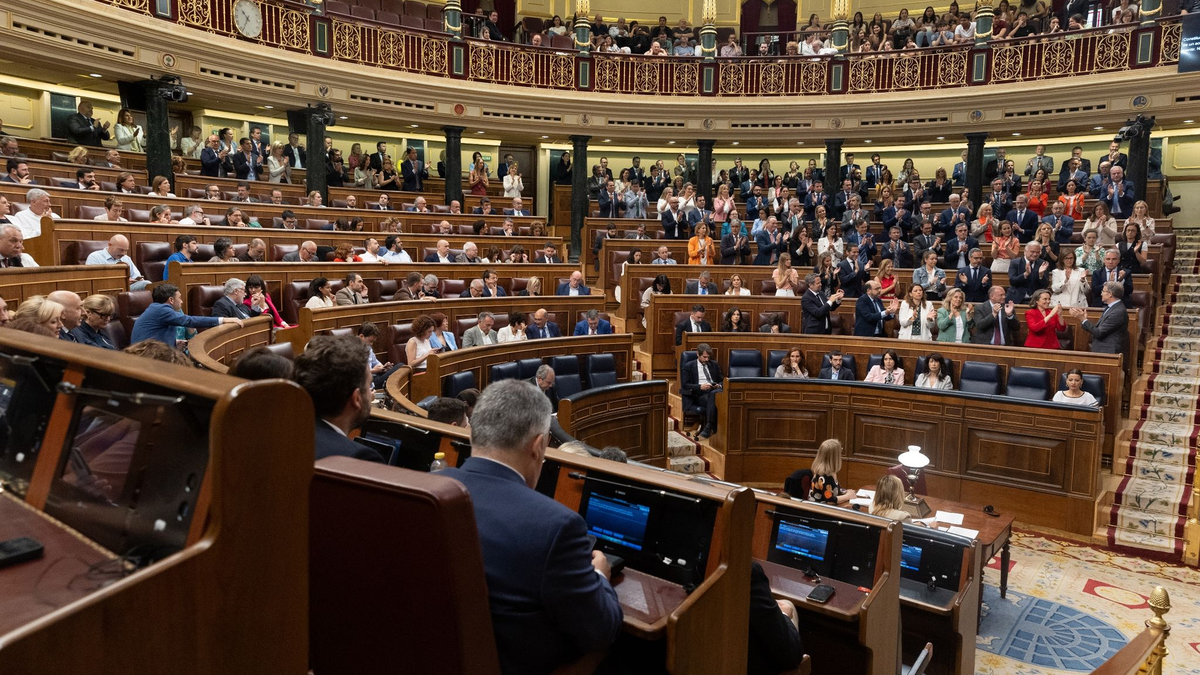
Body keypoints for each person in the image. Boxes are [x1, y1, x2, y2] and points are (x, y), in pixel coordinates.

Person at [442, 380, 621, 673]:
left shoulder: (431, 489)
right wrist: (600, 575)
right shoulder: (557, 527)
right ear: (539, 446)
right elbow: (600, 630)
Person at [292, 335, 383, 462]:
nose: (370, 393)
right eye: (369, 386)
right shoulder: (360, 457)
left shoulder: (281, 438)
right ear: (356, 399)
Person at [130, 283, 237, 348]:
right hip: (146, 356)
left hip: (149, 351)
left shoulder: (156, 308)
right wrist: (222, 320)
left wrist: (174, 342)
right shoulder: (162, 309)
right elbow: (189, 321)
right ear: (171, 300)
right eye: (179, 298)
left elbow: (154, 333)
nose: (181, 301)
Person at [1070, 282, 1129, 355]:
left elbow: (1099, 333)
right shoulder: (1112, 308)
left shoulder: (1117, 312)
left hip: (1109, 353)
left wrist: (1083, 319)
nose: (1101, 294)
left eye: (1103, 291)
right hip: (1103, 350)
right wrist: (1084, 319)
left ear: (1110, 294)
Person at [681, 343, 722, 439]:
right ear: (697, 354)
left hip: (715, 391)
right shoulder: (689, 366)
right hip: (700, 394)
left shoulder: (714, 364)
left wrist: (718, 385)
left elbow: (721, 379)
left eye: (708, 357)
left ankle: (709, 427)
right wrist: (700, 387)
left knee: (714, 394)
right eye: (704, 357)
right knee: (715, 398)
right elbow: (685, 385)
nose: (707, 360)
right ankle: (712, 429)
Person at [810, 439, 854, 504]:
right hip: (821, 509)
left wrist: (844, 492)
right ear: (834, 457)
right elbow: (830, 500)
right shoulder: (823, 475)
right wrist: (848, 496)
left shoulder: (831, 472)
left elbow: (833, 490)